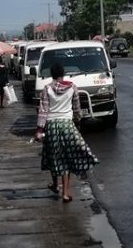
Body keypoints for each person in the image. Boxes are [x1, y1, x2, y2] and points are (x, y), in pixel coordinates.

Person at [35, 63, 98, 203]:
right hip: (67, 125)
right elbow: (77, 108)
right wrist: (77, 120)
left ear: (51, 74)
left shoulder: (46, 89)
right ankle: (65, 193)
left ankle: (55, 184)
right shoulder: (72, 87)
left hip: (51, 126)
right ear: (63, 73)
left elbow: (43, 111)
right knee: (66, 159)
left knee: (53, 156)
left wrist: (39, 130)